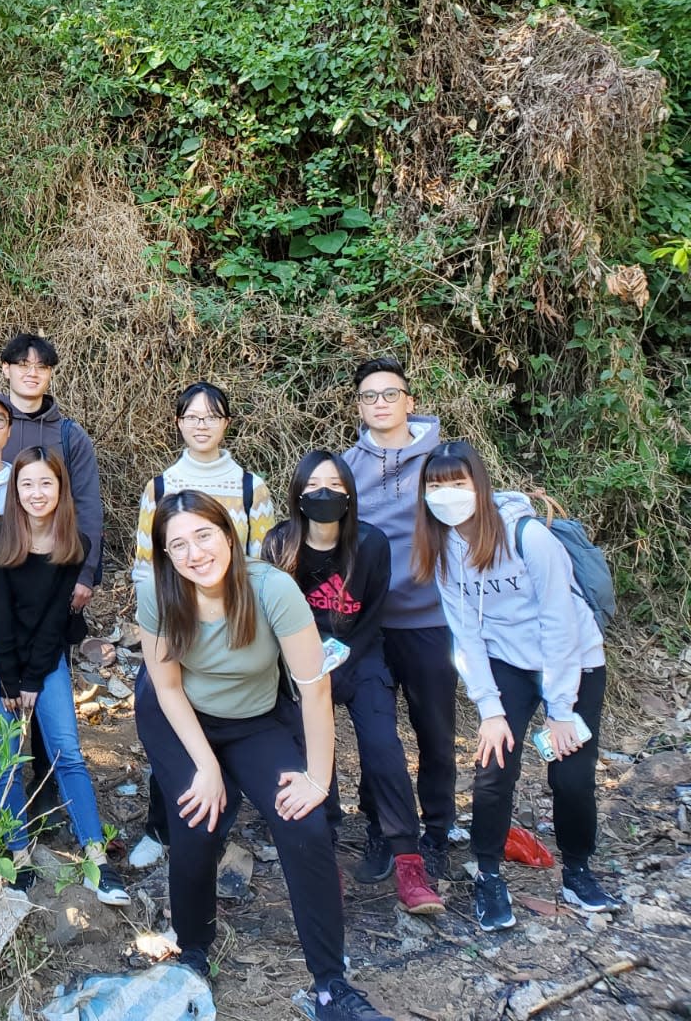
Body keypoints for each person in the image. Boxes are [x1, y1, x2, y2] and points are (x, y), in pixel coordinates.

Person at [135, 491, 394, 1021]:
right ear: (164, 553)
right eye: (177, 544)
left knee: (304, 824)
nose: (194, 553)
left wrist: (318, 781)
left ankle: (330, 985)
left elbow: (314, 687)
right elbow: (166, 689)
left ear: (229, 535)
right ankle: (194, 949)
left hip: (255, 719)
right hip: (179, 716)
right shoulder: (158, 594)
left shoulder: (271, 588)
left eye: (204, 536)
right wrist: (207, 767)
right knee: (197, 821)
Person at [413, 441, 620, 929]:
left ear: (479, 486)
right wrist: (489, 708)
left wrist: (561, 709)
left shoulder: (529, 538)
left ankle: (577, 869)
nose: (447, 495)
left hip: (573, 664)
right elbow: (465, 636)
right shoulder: (442, 548)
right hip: (507, 664)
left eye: (458, 483)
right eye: (435, 486)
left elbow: (561, 624)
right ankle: (487, 873)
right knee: (493, 769)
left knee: (570, 776)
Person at [262, 452, 444, 915]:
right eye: (314, 485)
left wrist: (342, 659)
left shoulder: (371, 543)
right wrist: (306, 670)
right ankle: (325, 859)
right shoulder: (280, 544)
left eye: (334, 484)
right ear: (298, 494)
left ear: (349, 493)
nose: (325, 493)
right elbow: (271, 616)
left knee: (383, 748)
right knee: (310, 759)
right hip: (300, 668)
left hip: (360, 658)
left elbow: (373, 611)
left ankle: (407, 859)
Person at [129, 381, 274, 868]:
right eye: (192, 417)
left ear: (226, 423)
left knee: (234, 725)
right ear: (178, 423)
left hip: (235, 630)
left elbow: (264, 566)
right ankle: (159, 825)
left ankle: (216, 828)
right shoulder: (161, 487)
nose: (201, 425)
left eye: (211, 416)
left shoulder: (251, 487)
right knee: (166, 722)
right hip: (176, 629)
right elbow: (146, 566)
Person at [0, 447, 128, 903]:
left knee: (67, 752)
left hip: (45, 663)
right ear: (15, 490)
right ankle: (17, 854)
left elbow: (54, 622)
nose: (36, 493)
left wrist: (33, 679)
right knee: (7, 756)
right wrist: (9, 679)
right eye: (26, 484)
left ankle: (94, 857)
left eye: (46, 483)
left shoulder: (74, 544)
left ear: (61, 489)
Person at [341, 356, 457, 883]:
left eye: (390, 395)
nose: (380, 404)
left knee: (434, 730)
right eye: (369, 397)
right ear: (359, 406)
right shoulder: (348, 465)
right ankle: (382, 829)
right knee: (376, 733)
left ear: (410, 401)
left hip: (430, 618)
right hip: (370, 625)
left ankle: (436, 832)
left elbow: (478, 511)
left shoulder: (442, 460)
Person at [0, 333, 103, 607]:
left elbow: (87, 504)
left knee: (49, 644)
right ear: (6, 369)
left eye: (42, 367)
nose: (32, 373)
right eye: (23, 365)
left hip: (53, 565)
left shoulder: (69, 435)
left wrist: (85, 573)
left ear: (50, 373)